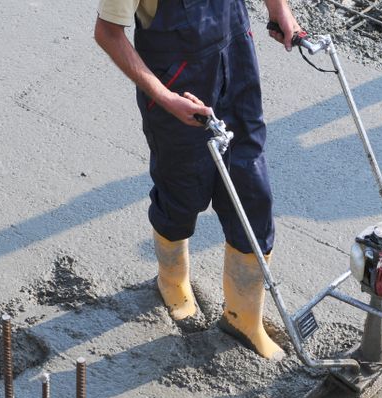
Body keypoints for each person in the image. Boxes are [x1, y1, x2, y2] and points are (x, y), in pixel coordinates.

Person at [94, 0, 303, 360]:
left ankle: (243, 319)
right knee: (181, 197)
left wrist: (279, 9)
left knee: (253, 196)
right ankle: (172, 281)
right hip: (176, 88)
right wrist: (164, 97)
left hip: (236, 69)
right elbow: (108, 33)